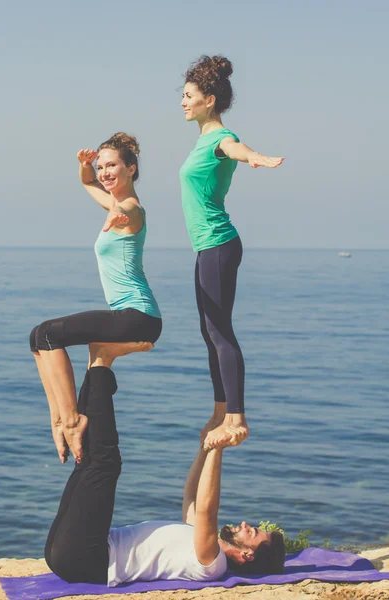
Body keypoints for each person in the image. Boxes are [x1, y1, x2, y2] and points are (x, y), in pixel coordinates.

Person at [45, 364, 285, 586]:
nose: (245, 524)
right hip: (73, 553)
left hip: (87, 558)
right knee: (88, 463)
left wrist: (218, 449)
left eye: (251, 532)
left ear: (247, 555)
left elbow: (206, 509)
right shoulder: (202, 544)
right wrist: (206, 447)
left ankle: (101, 367)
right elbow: (191, 497)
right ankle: (96, 367)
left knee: (104, 465)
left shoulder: (212, 562)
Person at [30, 133, 162, 464]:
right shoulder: (113, 202)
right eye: (102, 166)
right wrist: (85, 166)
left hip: (138, 315)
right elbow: (88, 183)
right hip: (130, 315)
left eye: (112, 165)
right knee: (37, 338)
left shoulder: (130, 209)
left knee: (48, 334)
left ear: (131, 169)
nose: (104, 172)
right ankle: (59, 419)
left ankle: (73, 420)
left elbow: (131, 217)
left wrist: (121, 220)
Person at [180, 55, 284, 450]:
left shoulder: (221, 138)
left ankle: (237, 417)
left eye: (189, 96)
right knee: (209, 333)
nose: (182, 103)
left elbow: (235, 148)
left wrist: (254, 156)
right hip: (207, 247)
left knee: (221, 332)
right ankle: (221, 410)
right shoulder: (201, 141)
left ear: (209, 100)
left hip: (219, 245)